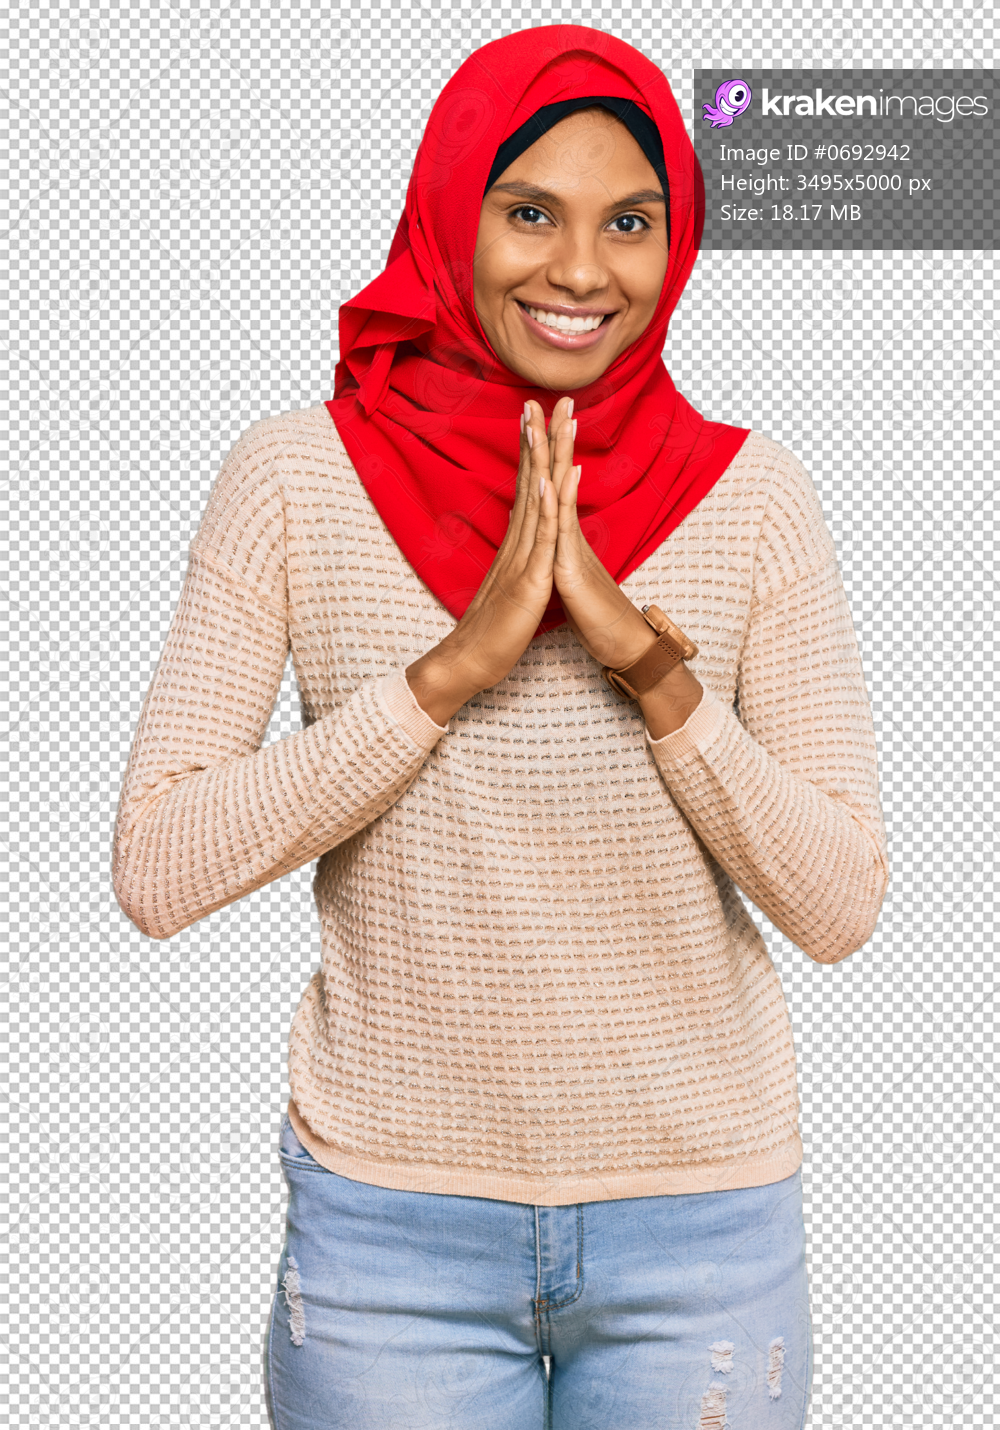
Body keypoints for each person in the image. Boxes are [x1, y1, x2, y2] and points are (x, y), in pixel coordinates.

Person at [112, 24, 889, 1430]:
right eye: (528, 211)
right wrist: (448, 670)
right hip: (390, 1237)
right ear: (448, 209)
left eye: (630, 223)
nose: (583, 270)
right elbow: (158, 866)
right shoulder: (293, 477)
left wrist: (650, 665)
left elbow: (839, 904)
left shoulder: (758, 496)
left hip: (700, 1235)